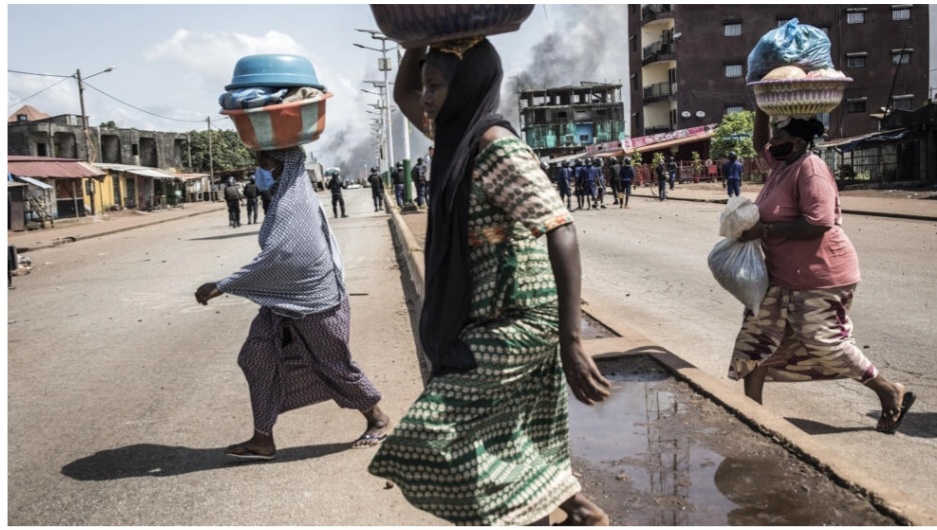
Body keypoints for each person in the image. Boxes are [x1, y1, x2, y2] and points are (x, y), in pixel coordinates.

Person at [368, 37, 611, 526]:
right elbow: (401, 98)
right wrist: (415, 45)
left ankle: (536, 511)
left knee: (430, 432)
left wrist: (572, 339)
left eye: (436, 86)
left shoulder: (494, 146)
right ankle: (578, 511)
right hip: (487, 313)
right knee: (506, 430)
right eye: (426, 87)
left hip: (522, 319)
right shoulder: (454, 137)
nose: (428, 98)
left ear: (467, 85)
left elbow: (560, 226)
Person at [194, 147, 391, 460]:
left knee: (332, 365)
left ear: (285, 164)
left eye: (267, 163)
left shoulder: (294, 203)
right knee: (256, 356)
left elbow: (282, 257)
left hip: (316, 304)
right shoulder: (285, 197)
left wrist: (224, 285)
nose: (263, 170)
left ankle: (377, 418)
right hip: (283, 304)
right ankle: (262, 438)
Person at [733, 110, 914, 434]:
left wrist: (764, 231)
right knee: (755, 339)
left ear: (800, 143)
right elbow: (760, 142)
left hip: (820, 275)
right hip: (780, 277)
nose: (772, 144)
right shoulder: (782, 165)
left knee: (824, 342)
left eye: (781, 138)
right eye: (774, 138)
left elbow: (818, 222)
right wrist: (761, 109)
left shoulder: (810, 169)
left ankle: (888, 389)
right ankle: (753, 416)